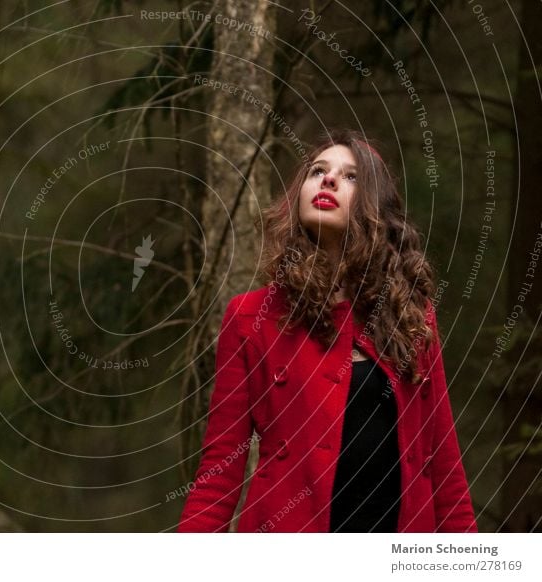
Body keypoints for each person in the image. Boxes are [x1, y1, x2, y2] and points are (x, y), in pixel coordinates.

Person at [178, 129, 477, 533]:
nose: (329, 180)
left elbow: (443, 461)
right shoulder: (252, 316)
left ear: (376, 207)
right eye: (317, 170)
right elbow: (221, 466)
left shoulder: (410, 314)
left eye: (351, 176)